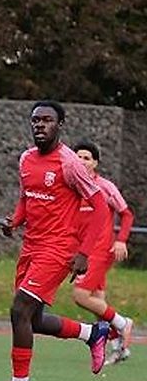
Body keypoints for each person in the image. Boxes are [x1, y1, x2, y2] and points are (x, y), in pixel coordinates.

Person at [0, 101, 112, 381]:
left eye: (47, 120)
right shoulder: (26, 159)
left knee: (19, 309)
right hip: (31, 246)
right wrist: (14, 221)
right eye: (36, 120)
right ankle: (92, 333)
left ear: (60, 125)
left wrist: (85, 253)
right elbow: (26, 197)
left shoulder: (70, 164)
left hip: (58, 249)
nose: (40, 125)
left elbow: (99, 207)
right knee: (32, 320)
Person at [70, 140, 135, 365]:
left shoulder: (104, 186)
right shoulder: (71, 188)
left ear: (95, 163)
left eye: (86, 158)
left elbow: (127, 214)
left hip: (100, 250)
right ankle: (119, 346)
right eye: (77, 156)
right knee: (98, 302)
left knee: (80, 296)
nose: (81, 161)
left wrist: (121, 241)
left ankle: (122, 323)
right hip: (83, 251)